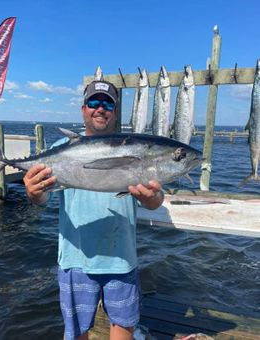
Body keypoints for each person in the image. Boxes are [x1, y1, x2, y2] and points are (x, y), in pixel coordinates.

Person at [23, 80, 164, 340]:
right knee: (77, 331)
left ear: (115, 111)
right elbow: (41, 199)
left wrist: (152, 199)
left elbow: (155, 202)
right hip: (75, 258)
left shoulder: (133, 148)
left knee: (123, 327)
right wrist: (34, 193)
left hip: (121, 258)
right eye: (94, 102)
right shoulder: (58, 151)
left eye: (108, 103)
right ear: (83, 109)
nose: (101, 108)